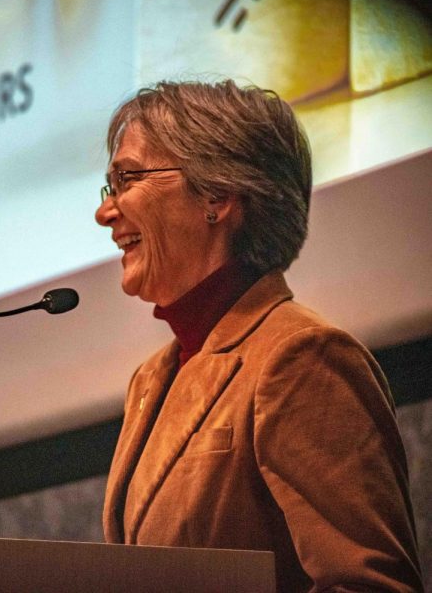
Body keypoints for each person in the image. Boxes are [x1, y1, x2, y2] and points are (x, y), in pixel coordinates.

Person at [95, 80, 422, 592]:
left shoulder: (301, 356)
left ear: (219, 195)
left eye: (128, 179)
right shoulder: (151, 380)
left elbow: (369, 585)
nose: (105, 212)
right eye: (108, 188)